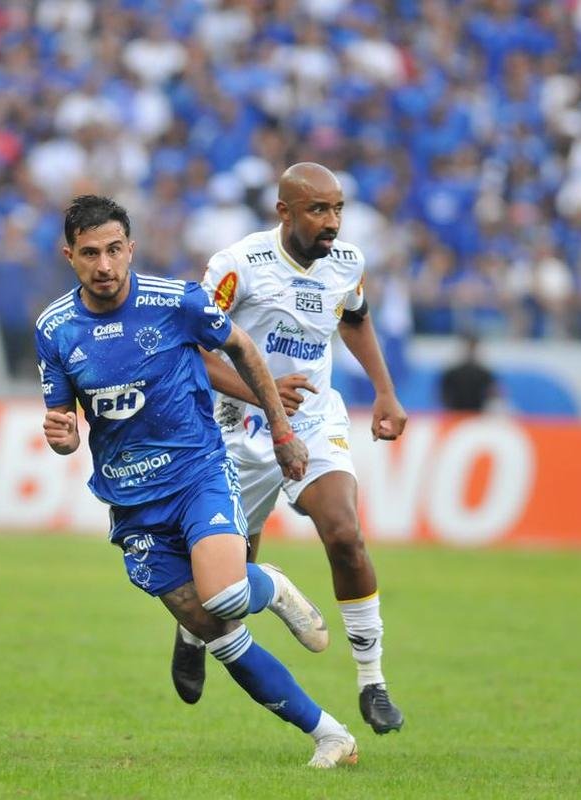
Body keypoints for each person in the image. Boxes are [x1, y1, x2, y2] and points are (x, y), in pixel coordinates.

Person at [36, 194, 358, 768]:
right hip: (131, 504)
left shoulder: (176, 301)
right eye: (90, 254)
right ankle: (331, 735)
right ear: (69, 256)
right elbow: (66, 422)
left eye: (114, 250)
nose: (105, 265)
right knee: (222, 635)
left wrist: (281, 429)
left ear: (131, 249)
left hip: (196, 474)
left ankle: (269, 584)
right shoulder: (55, 329)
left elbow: (241, 348)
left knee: (228, 593)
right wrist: (62, 436)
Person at [182, 163, 409, 735]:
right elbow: (196, 349)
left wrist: (384, 391)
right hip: (240, 427)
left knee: (345, 533)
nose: (331, 222)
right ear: (284, 212)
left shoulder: (347, 262)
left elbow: (354, 317)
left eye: (337, 209)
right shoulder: (236, 266)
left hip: (312, 418)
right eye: (317, 210)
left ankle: (372, 679)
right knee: (230, 578)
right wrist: (264, 394)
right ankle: (191, 630)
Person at [439, 331, 498, 412]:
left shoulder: (485, 374)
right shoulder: (452, 373)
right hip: (456, 414)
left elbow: (493, 394)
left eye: (472, 347)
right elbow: (443, 396)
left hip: (477, 415)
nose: (470, 351)